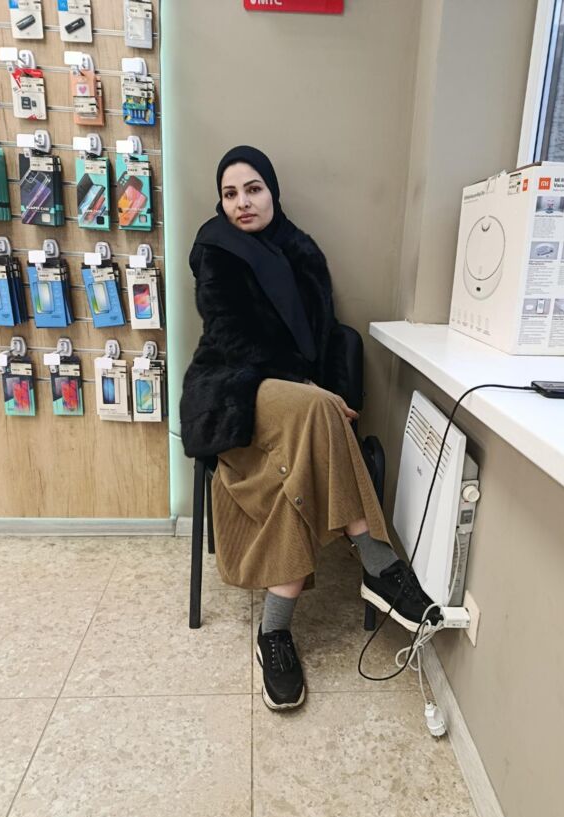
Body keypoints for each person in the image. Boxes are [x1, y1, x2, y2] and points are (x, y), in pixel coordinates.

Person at [180, 146, 439, 711]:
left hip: (299, 410)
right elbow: (232, 340)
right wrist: (314, 392)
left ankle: (273, 634)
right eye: (230, 193)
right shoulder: (216, 249)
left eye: (253, 189)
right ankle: (379, 562)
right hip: (233, 391)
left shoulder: (302, 253)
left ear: (273, 191)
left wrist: (318, 391)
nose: (242, 203)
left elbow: (323, 339)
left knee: (298, 462)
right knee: (318, 409)